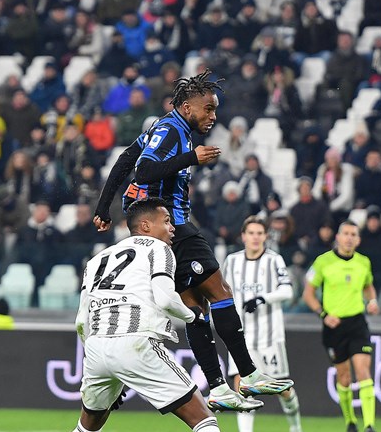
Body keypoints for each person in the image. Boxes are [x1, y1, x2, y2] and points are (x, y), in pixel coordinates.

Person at [37, 198, 270, 432]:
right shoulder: (160, 251)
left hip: (97, 347)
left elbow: (80, 321)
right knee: (203, 418)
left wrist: (100, 362)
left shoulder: (97, 259)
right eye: (165, 220)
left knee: (86, 428)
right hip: (136, 341)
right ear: (145, 226)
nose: (172, 227)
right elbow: (163, 297)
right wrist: (192, 315)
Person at [93, 69, 291, 412]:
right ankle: (249, 373)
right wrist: (191, 158)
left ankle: (217, 387)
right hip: (172, 225)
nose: (213, 117)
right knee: (220, 292)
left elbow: (127, 158)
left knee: (193, 307)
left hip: (164, 227)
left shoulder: (166, 127)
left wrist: (103, 208)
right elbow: (143, 171)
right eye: (208, 110)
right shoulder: (172, 130)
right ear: (187, 108)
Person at [221, 216, 305, 432]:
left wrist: (262, 298)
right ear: (243, 236)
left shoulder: (273, 260)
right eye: (251, 233)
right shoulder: (232, 261)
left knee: (281, 388)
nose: (256, 237)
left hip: (269, 335)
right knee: (241, 383)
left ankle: (295, 429)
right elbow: (221, 291)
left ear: (265, 236)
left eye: (260, 233)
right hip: (241, 335)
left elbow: (287, 290)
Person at [301, 221, 380, 432]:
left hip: (357, 323)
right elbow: (308, 293)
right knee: (344, 377)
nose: (349, 238)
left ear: (358, 239)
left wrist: (372, 300)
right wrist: (324, 315)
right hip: (334, 327)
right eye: (345, 233)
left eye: (353, 234)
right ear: (338, 237)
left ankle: (370, 425)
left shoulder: (363, 262)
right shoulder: (323, 262)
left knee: (363, 371)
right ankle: (350, 421)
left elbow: (368, 286)